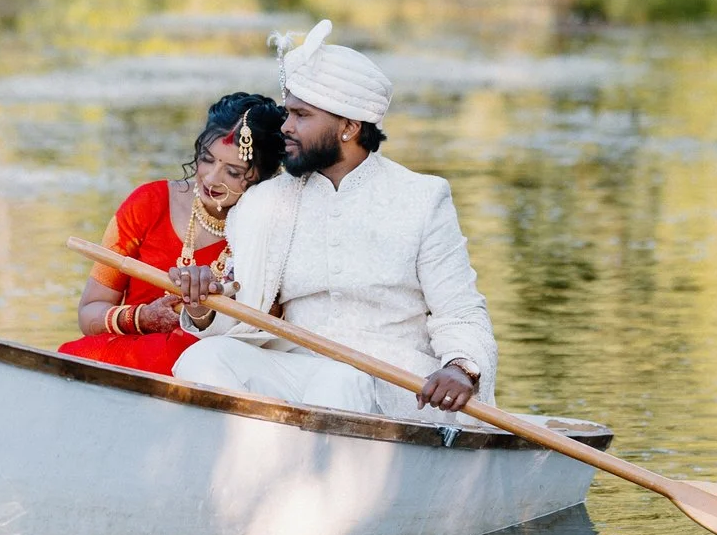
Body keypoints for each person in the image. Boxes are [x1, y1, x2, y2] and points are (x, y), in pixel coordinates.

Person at [169, 21, 493, 419]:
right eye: (288, 113)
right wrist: (204, 307)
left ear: (350, 127)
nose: (285, 126)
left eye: (301, 115)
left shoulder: (422, 199)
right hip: (295, 368)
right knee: (204, 359)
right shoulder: (266, 202)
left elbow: (460, 312)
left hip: (396, 387)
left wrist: (461, 368)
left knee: (340, 381)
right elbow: (247, 311)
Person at [60, 92, 285, 375]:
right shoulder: (146, 203)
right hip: (127, 359)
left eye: (233, 171)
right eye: (207, 159)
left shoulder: (270, 231)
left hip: (209, 369)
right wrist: (143, 317)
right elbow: (88, 312)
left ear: (266, 176)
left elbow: (268, 330)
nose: (212, 178)